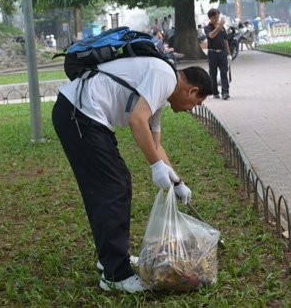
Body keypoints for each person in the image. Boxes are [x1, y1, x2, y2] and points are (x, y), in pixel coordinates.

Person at [52, 57, 212, 293]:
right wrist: (156, 166)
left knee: (118, 183)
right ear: (192, 90)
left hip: (85, 116)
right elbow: (136, 121)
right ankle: (115, 274)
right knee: (113, 188)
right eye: (195, 104)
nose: (190, 110)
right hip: (79, 115)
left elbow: (155, 143)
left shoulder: (161, 89)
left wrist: (178, 182)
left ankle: (112, 259)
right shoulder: (164, 77)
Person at [204, 8, 230, 100]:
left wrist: (228, 54)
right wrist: (219, 26)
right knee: (213, 74)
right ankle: (215, 92)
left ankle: (225, 92)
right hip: (212, 53)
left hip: (222, 53)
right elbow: (211, 35)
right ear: (210, 18)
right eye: (215, 17)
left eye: (218, 17)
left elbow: (225, 40)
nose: (217, 19)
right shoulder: (207, 28)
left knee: (224, 72)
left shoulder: (222, 27)